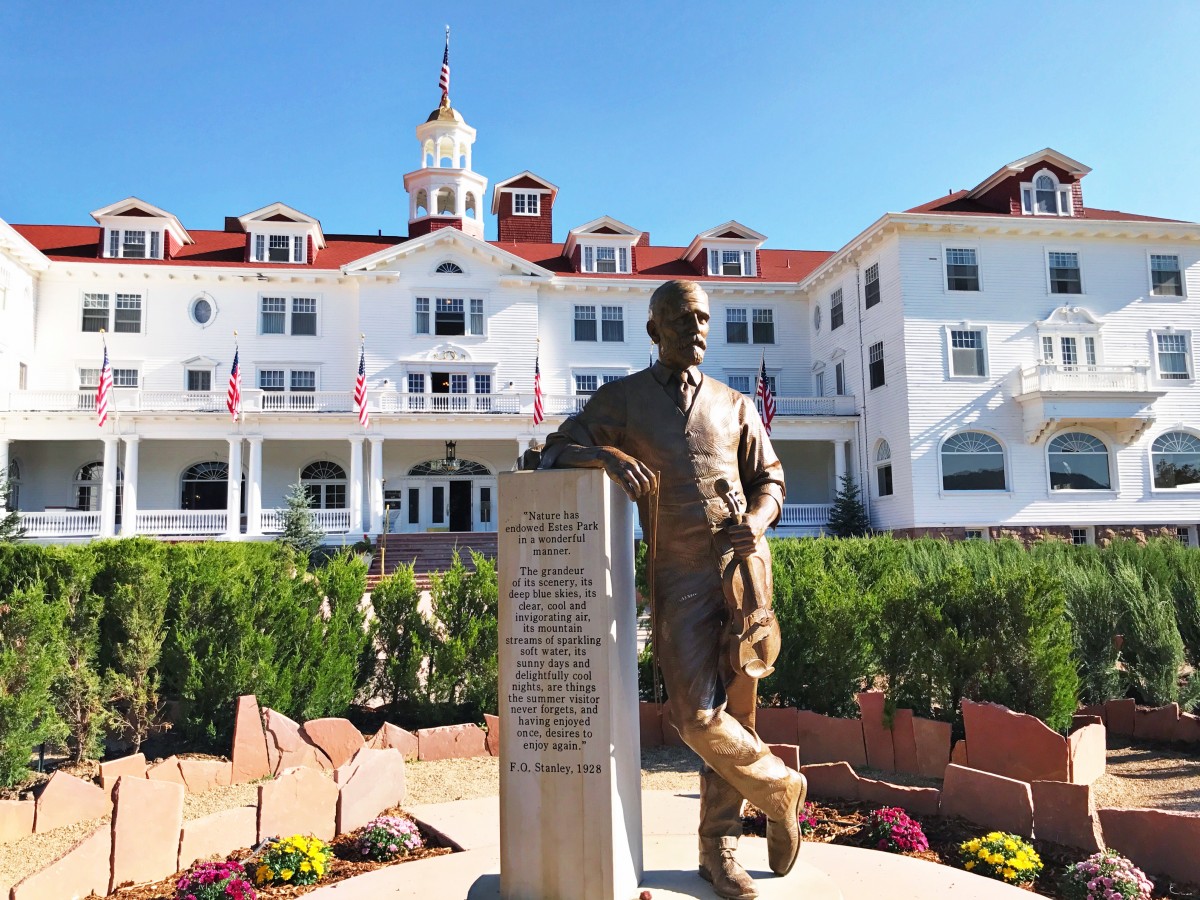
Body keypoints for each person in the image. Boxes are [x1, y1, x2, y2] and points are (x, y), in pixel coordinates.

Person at [541, 279, 806, 900]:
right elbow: (554, 449)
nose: (698, 330)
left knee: (738, 714)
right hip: (678, 577)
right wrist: (606, 456)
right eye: (685, 319)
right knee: (695, 716)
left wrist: (758, 520)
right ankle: (778, 788)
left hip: (744, 577)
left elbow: (771, 479)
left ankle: (719, 854)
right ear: (654, 327)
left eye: (705, 320)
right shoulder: (625, 400)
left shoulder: (735, 404)